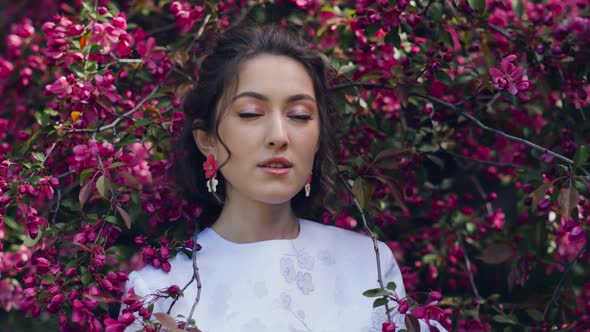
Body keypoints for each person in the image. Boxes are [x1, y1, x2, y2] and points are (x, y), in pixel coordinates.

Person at [121, 24, 446, 332]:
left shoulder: (368, 263)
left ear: (318, 137)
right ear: (207, 139)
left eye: (299, 116)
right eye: (250, 113)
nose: (279, 135)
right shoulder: (159, 289)